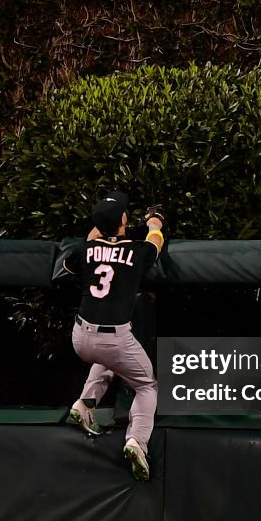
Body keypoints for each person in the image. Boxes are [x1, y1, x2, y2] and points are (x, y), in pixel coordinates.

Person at [61, 192, 165, 481]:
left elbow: (77, 258)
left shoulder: (83, 250)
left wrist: (100, 232)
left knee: (109, 357)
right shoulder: (136, 250)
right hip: (115, 339)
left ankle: (83, 403)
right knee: (147, 386)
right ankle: (137, 442)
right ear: (123, 220)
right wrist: (154, 223)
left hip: (80, 337)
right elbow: (155, 243)